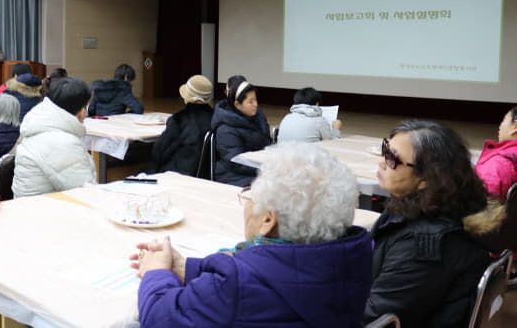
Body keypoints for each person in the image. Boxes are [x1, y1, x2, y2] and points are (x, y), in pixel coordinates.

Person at [131, 142, 373, 327]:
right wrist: (187, 267)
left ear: (268, 219)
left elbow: (158, 318)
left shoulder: (237, 285)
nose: (246, 200)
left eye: (249, 192)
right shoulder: (353, 257)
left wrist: (157, 273)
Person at [364, 121, 503, 327]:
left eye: (392, 158)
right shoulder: (412, 204)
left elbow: (376, 316)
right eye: (385, 149)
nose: (382, 162)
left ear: (426, 179)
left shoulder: (425, 245)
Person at [13, 77, 96, 197]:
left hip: (34, 207)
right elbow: (88, 192)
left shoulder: (43, 126)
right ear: (81, 111)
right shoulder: (61, 142)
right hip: (46, 212)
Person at [211, 76, 271, 186]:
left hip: (255, 169)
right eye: (250, 101)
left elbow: (267, 144)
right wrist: (266, 168)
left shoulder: (257, 118)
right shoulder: (226, 129)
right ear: (237, 104)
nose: (256, 104)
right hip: (234, 176)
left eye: (256, 100)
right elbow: (236, 162)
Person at [152, 75, 214, 176]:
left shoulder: (179, 119)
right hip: (208, 174)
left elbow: (158, 153)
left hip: (181, 172)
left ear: (187, 96)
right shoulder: (215, 117)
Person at [475, 105, 517, 202]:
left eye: (504, 120)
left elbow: (481, 204)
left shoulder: (496, 164)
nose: (500, 126)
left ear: (515, 127)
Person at [277, 87, 343, 142]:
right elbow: (332, 145)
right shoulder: (319, 121)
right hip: (306, 156)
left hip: (282, 156)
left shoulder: (287, 118)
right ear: (317, 104)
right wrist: (336, 130)